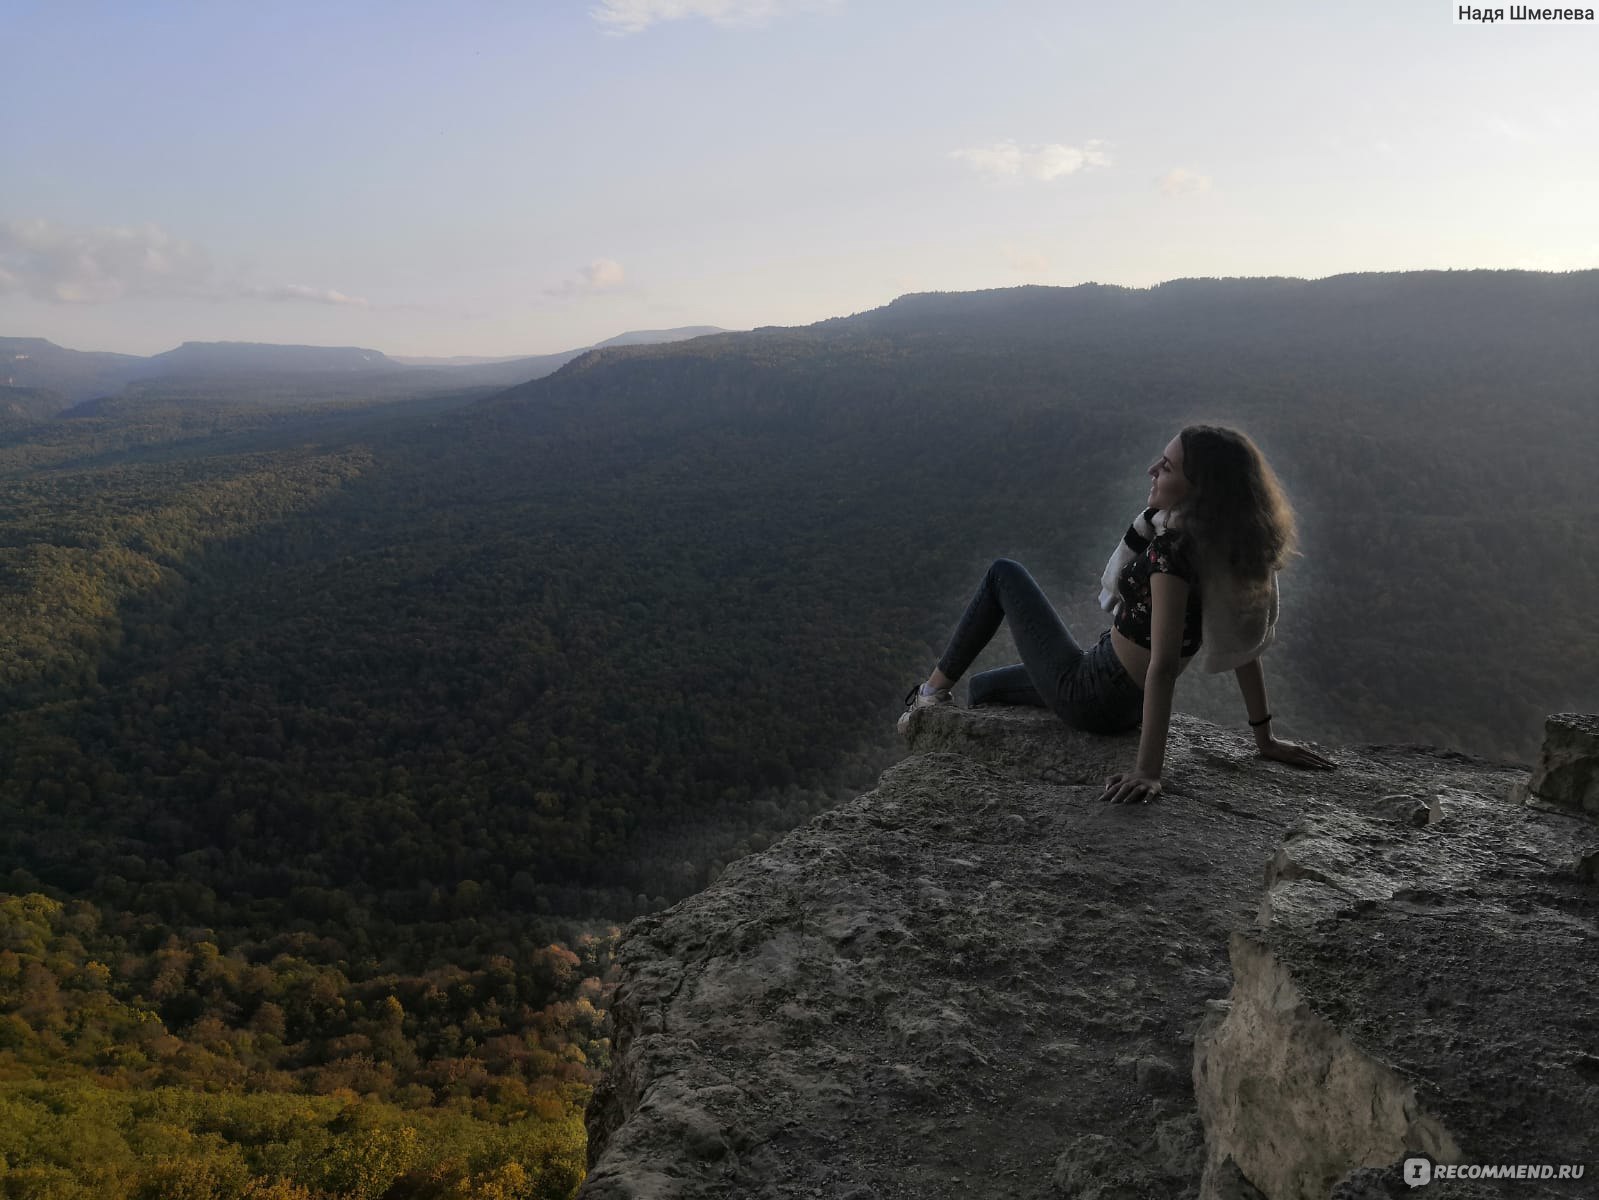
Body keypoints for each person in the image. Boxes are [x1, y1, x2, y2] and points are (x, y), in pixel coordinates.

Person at [898, 424, 1335, 803]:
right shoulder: (1223, 549)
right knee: (985, 688)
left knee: (1003, 574)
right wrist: (1264, 738)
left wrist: (1148, 772)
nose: (1152, 470)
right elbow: (1245, 646)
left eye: (1166, 467)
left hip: (1094, 694)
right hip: (1117, 695)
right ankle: (957, 723)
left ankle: (929, 696)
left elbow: (1162, 666)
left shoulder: (1171, 553)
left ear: (1199, 488)